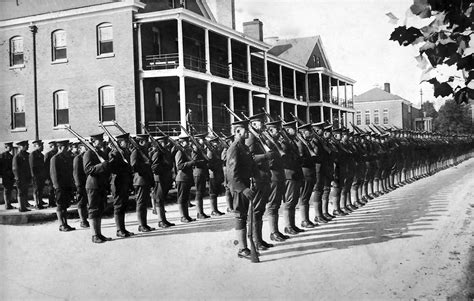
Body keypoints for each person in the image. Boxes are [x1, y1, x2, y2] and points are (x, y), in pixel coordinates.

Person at [226, 119, 258, 259]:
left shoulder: (243, 147)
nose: (248, 132)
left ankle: (245, 246)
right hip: (240, 187)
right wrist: (243, 189)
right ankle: (242, 248)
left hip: (246, 184)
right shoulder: (234, 148)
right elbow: (232, 174)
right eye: (245, 130)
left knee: (244, 216)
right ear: (238, 131)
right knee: (240, 216)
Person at [245, 113, 274, 250]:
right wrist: (265, 156)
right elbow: (249, 158)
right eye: (260, 122)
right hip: (257, 179)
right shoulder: (251, 139)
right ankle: (255, 241)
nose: (263, 125)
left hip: (263, 177)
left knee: (260, 210)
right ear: (253, 124)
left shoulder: (258, 138)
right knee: (256, 211)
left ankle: (259, 240)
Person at [83, 133, 113, 243]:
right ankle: (94, 235)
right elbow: (88, 169)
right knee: (93, 209)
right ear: (93, 142)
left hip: (101, 184)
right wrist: (102, 165)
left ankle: (99, 234)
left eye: (101, 139)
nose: (101, 141)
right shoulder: (89, 153)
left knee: (99, 209)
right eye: (98, 140)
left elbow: (107, 165)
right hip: (93, 185)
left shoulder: (100, 152)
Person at [281, 121, 304, 234]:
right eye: (293, 129)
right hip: (289, 175)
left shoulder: (292, 142)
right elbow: (285, 159)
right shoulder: (284, 143)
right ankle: (288, 226)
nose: (295, 131)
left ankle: (292, 225)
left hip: (295, 173)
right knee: (289, 202)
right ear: (287, 130)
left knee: (294, 201)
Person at [110, 133, 134, 237]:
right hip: (118, 182)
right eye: (126, 142)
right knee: (118, 206)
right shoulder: (115, 153)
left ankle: (123, 228)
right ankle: (119, 230)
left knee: (123, 205)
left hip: (124, 181)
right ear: (120, 143)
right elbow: (112, 168)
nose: (128, 143)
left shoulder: (126, 152)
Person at [131, 134, 155, 232]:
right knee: (141, 203)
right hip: (140, 180)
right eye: (146, 141)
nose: (148, 142)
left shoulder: (144, 151)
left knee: (144, 203)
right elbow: (134, 166)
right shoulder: (136, 152)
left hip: (145, 180)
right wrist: (146, 164)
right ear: (140, 142)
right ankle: (141, 225)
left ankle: (144, 224)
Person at [50, 140, 76, 232]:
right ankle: (61, 224)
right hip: (60, 186)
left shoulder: (67, 157)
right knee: (60, 205)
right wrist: (57, 186)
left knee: (65, 206)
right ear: (60, 148)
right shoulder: (55, 158)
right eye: (65, 147)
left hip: (67, 184)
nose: (67, 149)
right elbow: (54, 174)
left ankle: (65, 223)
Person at [151, 135, 175, 228]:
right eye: (164, 142)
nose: (167, 144)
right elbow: (154, 168)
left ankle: (164, 220)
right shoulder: (157, 153)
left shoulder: (165, 152)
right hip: (159, 178)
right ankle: (161, 221)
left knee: (162, 199)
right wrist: (165, 167)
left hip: (165, 178)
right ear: (160, 143)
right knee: (159, 199)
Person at [174, 134, 196, 223]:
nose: (187, 143)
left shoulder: (186, 151)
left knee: (186, 198)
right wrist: (191, 163)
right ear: (181, 143)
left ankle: (186, 216)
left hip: (186, 177)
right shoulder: (179, 152)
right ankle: (183, 216)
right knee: (182, 198)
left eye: (188, 141)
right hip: (181, 178)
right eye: (185, 142)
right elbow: (179, 166)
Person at [191, 133, 210, 219]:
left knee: (201, 192)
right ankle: (199, 213)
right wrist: (204, 161)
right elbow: (194, 161)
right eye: (202, 139)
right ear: (198, 140)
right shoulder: (195, 149)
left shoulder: (201, 148)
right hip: (198, 172)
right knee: (198, 192)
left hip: (202, 172)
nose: (204, 140)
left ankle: (201, 212)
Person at [73, 142, 89, 228]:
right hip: (81, 184)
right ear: (80, 149)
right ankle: (83, 220)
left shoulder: (87, 156)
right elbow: (76, 173)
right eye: (84, 147)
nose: (86, 148)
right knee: (82, 202)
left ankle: (86, 218)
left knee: (87, 201)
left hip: (88, 183)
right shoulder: (78, 158)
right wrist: (78, 185)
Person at [12, 140, 31, 212]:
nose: (27, 146)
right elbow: (15, 169)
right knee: (21, 192)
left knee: (25, 191)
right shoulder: (17, 157)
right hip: (20, 178)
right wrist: (17, 178)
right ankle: (21, 207)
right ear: (20, 147)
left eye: (27, 145)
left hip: (26, 177)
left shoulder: (27, 155)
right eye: (25, 146)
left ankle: (25, 205)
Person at [29, 140, 47, 209]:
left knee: (40, 189)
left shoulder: (41, 155)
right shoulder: (33, 154)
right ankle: (37, 204)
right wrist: (34, 176)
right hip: (36, 176)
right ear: (36, 146)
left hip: (41, 176)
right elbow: (32, 166)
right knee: (36, 190)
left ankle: (40, 202)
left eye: (42, 146)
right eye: (40, 146)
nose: (42, 147)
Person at [0, 142, 15, 210]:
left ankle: (9, 204)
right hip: (5, 176)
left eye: (11, 146)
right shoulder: (2, 156)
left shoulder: (11, 156)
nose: (11, 148)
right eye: (9, 146)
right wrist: (2, 174)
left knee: (10, 190)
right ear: (6, 147)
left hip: (11, 176)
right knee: (6, 190)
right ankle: (7, 205)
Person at [44, 141, 58, 207]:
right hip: (50, 175)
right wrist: (46, 176)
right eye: (55, 146)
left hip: (55, 174)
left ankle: (55, 201)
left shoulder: (57, 153)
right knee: (51, 190)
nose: (56, 148)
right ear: (51, 147)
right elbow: (46, 166)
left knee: (55, 189)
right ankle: (51, 203)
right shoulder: (48, 154)